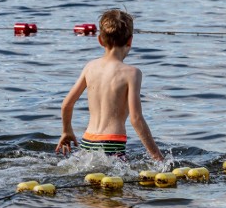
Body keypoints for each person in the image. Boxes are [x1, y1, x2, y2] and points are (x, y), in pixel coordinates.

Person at [55, 9, 164, 162]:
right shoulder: (132, 73)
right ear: (130, 41)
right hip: (113, 142)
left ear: (100, 40)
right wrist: (157, 156)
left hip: (87, 141)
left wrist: (66, 131)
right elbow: (136, 118)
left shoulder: (90, 67)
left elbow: (66, 104)